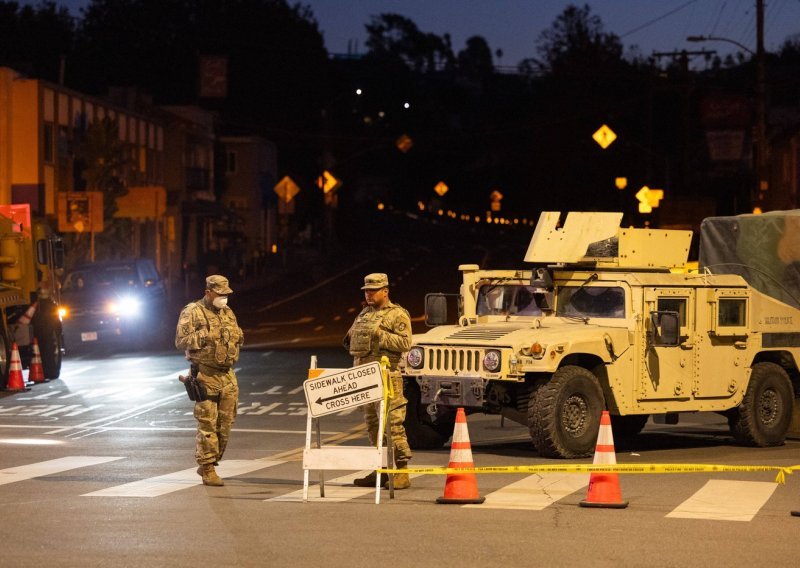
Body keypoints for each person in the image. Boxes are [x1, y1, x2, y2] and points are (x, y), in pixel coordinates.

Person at [343, 273, 413, 489]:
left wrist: (379, 335)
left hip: (387, 378)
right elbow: (350, 342)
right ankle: (380, 469)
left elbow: (405, 343)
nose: (368, 294)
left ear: (385, 291)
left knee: (392, 425)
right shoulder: (363, 314)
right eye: (366, 290)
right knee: (373, 426)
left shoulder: (397, 315)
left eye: (373, 290)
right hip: (366, 378)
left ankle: (401, 471)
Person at [175, 275, 244, 487]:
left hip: (227, 374)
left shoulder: (228, 312)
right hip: (205, 374)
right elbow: (180, 341)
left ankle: (211, 460)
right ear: (208, 293)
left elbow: (237, 337)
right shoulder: (193, 311)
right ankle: (207, 468)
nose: (224, 299)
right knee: (207, 423)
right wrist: (204, 334)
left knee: (226, 425)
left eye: (226, 295)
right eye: (220, 294)